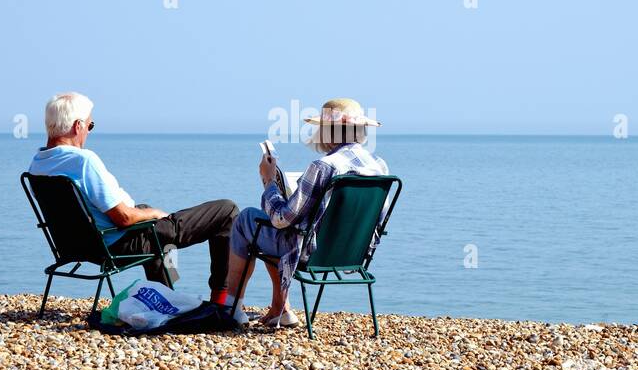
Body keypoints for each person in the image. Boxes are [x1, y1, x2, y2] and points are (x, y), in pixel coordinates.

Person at [28, 92, 239, 306]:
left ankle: (167, 295)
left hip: (76, 245)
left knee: (150, 217)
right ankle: (221, 300)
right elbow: (124, 219)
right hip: (117, 243)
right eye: (90, 126)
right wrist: (154, 214)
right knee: (226, 212)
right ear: (78, 126)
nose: (88, 133)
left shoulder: (38, 164)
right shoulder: (83, 161)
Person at [228, 98, 389, 328]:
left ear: (327, 131)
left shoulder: (323, 167)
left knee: (247, 219)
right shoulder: (379, 167)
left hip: (310, 254)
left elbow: (282, 219)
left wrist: (269, 182)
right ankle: (280, 309)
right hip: (353, 254)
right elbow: (377, 221)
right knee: (281, 229)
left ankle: (231, 308)